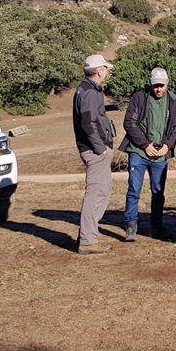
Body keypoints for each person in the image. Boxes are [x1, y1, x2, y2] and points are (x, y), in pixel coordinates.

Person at [118, 67, 176, 242]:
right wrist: (145, 144)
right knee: (134, 189)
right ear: (150, 83)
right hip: (138, 151)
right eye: (156, 85)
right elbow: (129, 122)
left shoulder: (173, 100)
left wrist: (168, 145)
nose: (159, 89)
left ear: (167, 83)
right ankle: (131, 226)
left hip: (161, 154)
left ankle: (156, 227)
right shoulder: (139, 97)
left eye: (161, 85)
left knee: (158, 191)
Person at [73, 54, 116, 255]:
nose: (106, 72)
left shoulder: (86, 89)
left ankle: (88, 235)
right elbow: (88, 123)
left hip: (94, 148)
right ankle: (88, 240)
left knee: (103, 191)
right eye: (105, 69)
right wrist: (100, 147)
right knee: (96, 193)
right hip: (95, 150)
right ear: (99, 71)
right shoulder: (90, 92)